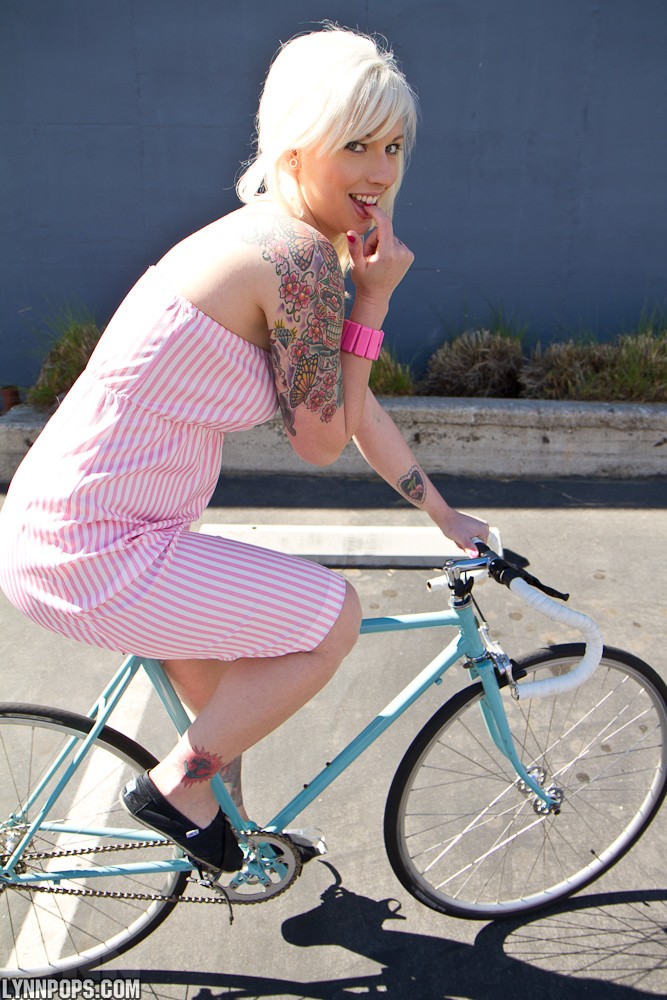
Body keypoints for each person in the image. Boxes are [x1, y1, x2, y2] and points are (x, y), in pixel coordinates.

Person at [0, 25, 489, 874]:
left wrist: (445, 515)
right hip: (101, 549)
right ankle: (177, 791)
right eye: (355, 145)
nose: (380, 171)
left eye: (393, 147)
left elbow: (353, 408)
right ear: (295, 146)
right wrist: (372, 302)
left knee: (229, 692)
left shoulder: (275, 239)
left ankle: (226, 830)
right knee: (331, 617)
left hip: (74, 527)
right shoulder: (295, 260)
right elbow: (322, 440)